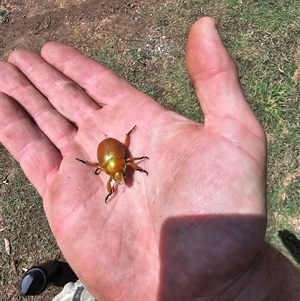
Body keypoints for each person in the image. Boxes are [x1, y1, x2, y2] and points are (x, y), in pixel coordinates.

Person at [0, 17, 299, 301]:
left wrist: (242, 283)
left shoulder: (119, 166)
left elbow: (118, 163)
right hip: (110, 151)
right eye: (117, 177)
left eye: (118, 176)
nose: (120, 178)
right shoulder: (115, 168)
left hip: (111, 150)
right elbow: (113, 166)